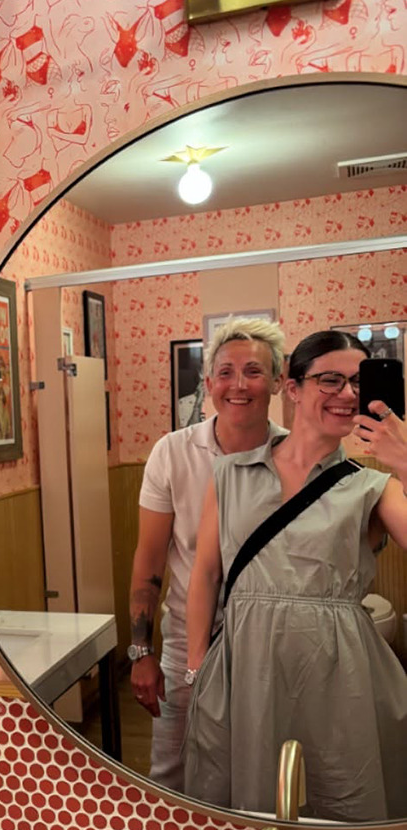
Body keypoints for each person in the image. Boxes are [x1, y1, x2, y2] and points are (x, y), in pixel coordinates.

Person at [184, 329, 407, 822]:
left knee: (338, 804)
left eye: (359, 382)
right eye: (331, 380)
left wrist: (406, 462)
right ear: (293, 388)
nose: (347, 394)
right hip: (244, 670)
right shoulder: (230, 474)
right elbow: (205, 574)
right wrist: (197, 669)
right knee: (246, 810)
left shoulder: (374, 487)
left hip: (339, 677)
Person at [129, 317, 286, 792]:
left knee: (263, 774)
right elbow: (149, 560)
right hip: (184, 642)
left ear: (278, 381)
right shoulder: (172, 452)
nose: (238, 385)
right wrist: (141, 652)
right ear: (208, 380)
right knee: (172, 773)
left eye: (254, 372)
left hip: (270, 644)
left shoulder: (293, 455)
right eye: (226, 372)